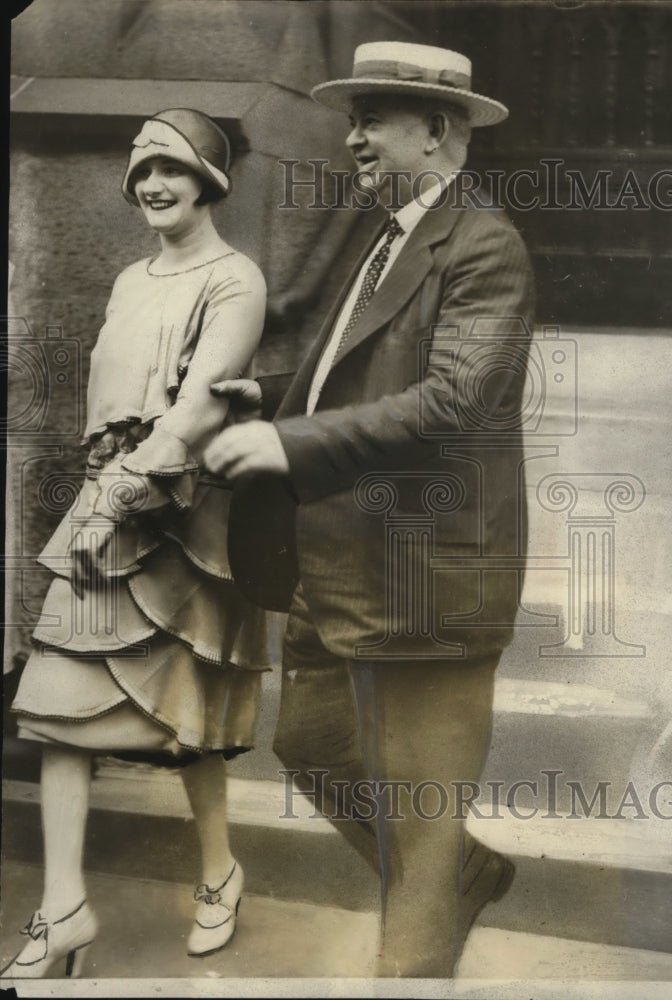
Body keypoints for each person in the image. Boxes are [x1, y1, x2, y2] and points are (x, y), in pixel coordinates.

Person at [207, 41, 536, 978]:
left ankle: (425, 932)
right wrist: (268, 400)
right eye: (351, 119)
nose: (350, 137)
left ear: (435, 131)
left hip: (424, 580)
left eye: (370, 119)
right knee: (309, 744)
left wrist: (289, 445)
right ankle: (458, 878)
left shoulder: (482, 244)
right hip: (340, 564)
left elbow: (453, 402)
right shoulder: (385, 231)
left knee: (417, 824)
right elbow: (352, 380)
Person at [2, 108, 268, 979]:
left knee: (187, 717)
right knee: (56, 708)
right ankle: (64, 907)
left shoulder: (236, 279)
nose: (152, 186)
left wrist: (119, 495)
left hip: (183, 515)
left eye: (172, 170)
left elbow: (196, 405)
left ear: (208, 181)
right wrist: (101, 490)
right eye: (141, 172)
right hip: (108, 497)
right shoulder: (128, 278)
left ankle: (220, 872)